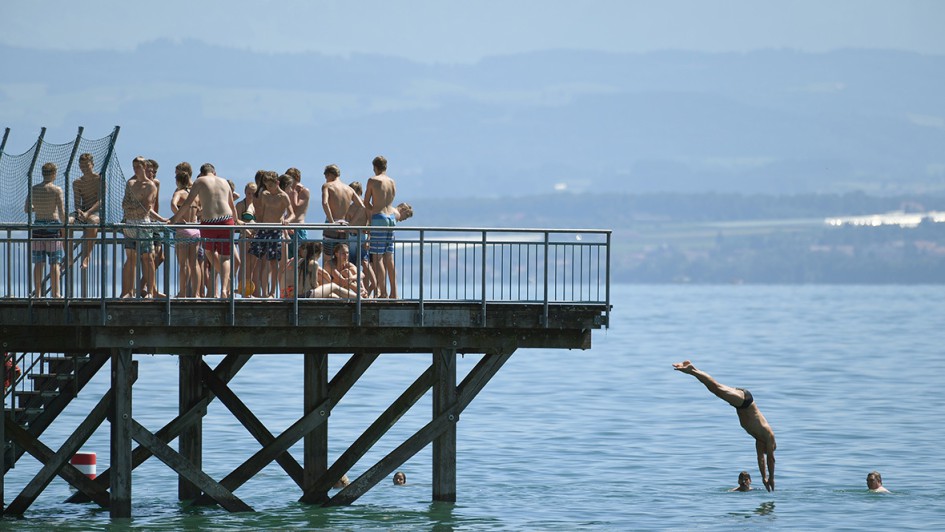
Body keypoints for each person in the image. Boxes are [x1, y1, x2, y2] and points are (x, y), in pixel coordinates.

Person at [673, 360, 776, 491]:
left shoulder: (759, 440)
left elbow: (761, 460)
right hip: (745, 402)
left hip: (741, 403)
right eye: (768, 451)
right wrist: (771, 478)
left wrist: (764, 478)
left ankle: (693, 370)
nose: (765, 453)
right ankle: (692, 370)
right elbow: (770, 460)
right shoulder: (768, 436)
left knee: (716, 389)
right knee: (716, 388)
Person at [169, 163, 240, 298]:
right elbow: (232, 205)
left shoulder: (200, 181)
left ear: (202, 173)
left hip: (209, 222)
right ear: (214, 172)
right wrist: (236, 221)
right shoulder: (224, 181)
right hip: (227, 220)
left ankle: (225, 283)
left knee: (209, 252)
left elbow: (187, 204)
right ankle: (225, 289)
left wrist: (174, 219)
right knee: (226, 257)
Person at [121, 156, 166, 298]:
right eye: (134, 166)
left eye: (138, 166)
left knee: (148, 258)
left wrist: (134, 208)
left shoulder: (151, 186)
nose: (136, 169)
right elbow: (125, 204)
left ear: (144, 167)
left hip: (144, 224)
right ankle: (127, 291)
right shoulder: (130, 183)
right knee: (131, 258)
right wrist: (135, 208)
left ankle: (151, 291)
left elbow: (146, 207)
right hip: (130, 224)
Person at [248, 171, 292, 298]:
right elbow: (261, 211)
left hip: (275, 230)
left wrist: (287, 220)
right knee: (255, 258)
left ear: (277, 183)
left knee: (273, 262)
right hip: (263, 229)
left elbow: (292, 213)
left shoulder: (283, 196)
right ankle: (254, 290)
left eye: (271, 186)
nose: (269, 188)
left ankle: (272, 292)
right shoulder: (265, 194)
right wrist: (256, 225)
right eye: (267, 186)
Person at [24, 162, 66, 298]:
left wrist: (39, 207)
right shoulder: (56, 190)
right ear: (54, 174)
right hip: (52, 227)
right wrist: (68, 223)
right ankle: (56, 293)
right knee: (55, 262)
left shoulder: (34, 189)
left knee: (38, 262)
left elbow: (27, 208)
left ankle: (38, 294)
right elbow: (61, 212)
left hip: (37, 227)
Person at [364, 156, 397, 298]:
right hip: (391, 218)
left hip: (379, 218)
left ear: (375, 167)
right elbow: (391, 200)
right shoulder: (392, 182)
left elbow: (366, 202)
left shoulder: (373, 180)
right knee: (389, 257)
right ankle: (394, 292)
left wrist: (374, 211)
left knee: (377, 258)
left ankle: (383, 292)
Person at [321, 164, 363, 271]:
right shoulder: (349, 189)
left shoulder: (328, 186)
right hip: (344, 225)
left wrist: (331, 222)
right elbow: (361, 206)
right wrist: (351, 224)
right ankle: (341, 285)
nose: (326, 180)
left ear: (330, 175)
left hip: (332, 224)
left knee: (327, 259)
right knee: (342, 260)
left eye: (326, 177)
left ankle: (327, 285)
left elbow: (325, 203)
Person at [170, 166, 202, 298]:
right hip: (195, 229)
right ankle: (197, 294)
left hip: (183, 230)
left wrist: (179, 218)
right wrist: (194, 218)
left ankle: (182, 294)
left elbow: (173, 204)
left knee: (183, 264)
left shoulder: (179, 193)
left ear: (178, 181)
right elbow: (202, 209)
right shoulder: (195, 195)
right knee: (194, 264)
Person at [69, 152, 103, 270]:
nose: (84, 168)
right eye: (82, 166)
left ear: (92, 165)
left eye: (87, 165)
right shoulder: (77, 183)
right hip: (82, 211)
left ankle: (87, 256)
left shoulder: (99, 180)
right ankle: (69, 255)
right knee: (66, 222)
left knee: (93, 222)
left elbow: (100, 201)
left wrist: (88, 212)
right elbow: (77, 202)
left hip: (94, 212)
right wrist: (80, 212)